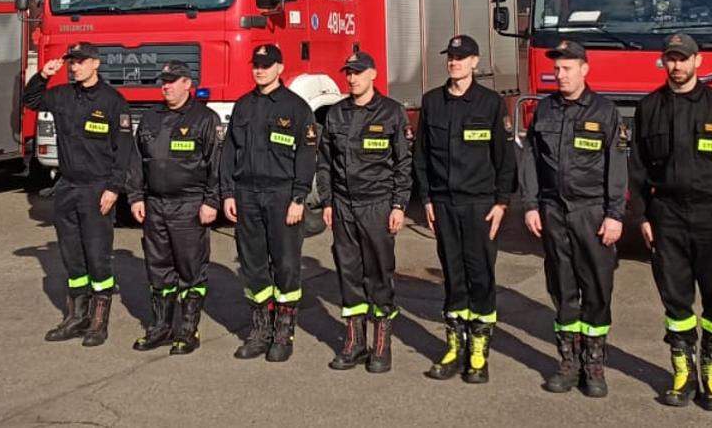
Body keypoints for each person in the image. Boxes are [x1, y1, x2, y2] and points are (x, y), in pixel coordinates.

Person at [632, 33, 712, 412]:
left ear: (697, 62)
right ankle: (683, 373)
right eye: (670, 59)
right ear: (663, 63)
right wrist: (641, 216)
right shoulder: (649, 107)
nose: (677, 66)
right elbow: (636, 168)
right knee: (675, 298)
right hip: (666, 215)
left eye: (683, 59)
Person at [519, 40, 626, 398]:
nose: (559, 74)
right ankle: (568, 361)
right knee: (562, 288)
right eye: (557, 68)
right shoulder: (545, 110)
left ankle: (594, 364)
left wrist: (615, 214)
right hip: (553, 212)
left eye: (566, 68)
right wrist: (531, 205)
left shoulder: (605, 112)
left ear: (584, 69)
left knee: (596, 289)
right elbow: (531, 160)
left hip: (592, 212)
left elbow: (617, 168)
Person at [414, 34, 516, 384]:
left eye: (461, 57)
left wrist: (502, 202)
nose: (454, 62)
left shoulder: (490, 104)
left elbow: (505, 160)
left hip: (480, 205)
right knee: (453, 277)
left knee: (481, 276)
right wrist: (426, 198)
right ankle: (455, 347)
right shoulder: (432, 102)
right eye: (451, 57)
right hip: (443, 203)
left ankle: (479, 353)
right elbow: (422, 156)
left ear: (475, 62)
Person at [21, 42, 132, 347]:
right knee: (72, 256)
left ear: (96, 63)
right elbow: (30, 100)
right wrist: (43, 75)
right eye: (72, 61)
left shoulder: (112, 102)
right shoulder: (63, 95)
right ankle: (75, 317)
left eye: (80, 62)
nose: (74, 66)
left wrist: (114, 188)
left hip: (97, 188)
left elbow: (123, 151)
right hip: (68, 186)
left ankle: (98, 321)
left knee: (97, 257)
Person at [221, 43, 318, 362]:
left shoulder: (296, 107)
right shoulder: (244, 106)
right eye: (256, 65)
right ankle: (260, 330)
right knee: (252, 265)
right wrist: (228, 193)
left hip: (282, 195)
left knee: (287, 265)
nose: (260, 69)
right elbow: (228, 152)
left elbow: (306, 155)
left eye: (266, 65)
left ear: (280, 68)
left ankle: (283, 333)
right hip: (247, 194)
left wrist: (299, 197)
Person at [318, 51, 411, 374]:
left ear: (373, 74)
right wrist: (328, 201)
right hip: (343, 205)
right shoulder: (336, 113)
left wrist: (399, 204)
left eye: (358, 72)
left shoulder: (391, 112)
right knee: (348, 273)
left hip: (378, 204)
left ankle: (381, 344)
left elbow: (403, 164)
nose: (352, 78)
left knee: (379, 273)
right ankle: (355, 342)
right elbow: (324, 162)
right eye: (349, 73)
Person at [125, 61, 224, 355]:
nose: (165, 86)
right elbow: (136, 161)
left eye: (172, 81)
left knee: (191, 269)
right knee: (158, 268)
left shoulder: (205, 119)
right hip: (155, 205)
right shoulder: (151, 118)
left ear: (187, 84)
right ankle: (161, 327)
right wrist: (135, 197)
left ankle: (187, 330)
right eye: (163, 81)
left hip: (189, 205)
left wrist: (211, 201)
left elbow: (217, 165)